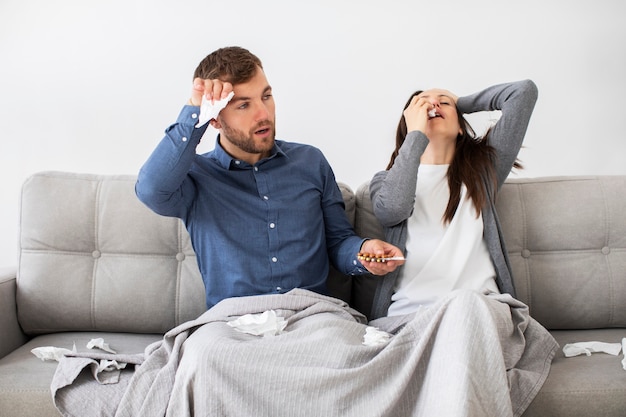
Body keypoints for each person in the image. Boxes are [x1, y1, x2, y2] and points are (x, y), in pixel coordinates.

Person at [135, 46, 404, 310]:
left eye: (266, 96)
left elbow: (338, 241)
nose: (263, 114)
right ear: (214, 119)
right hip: (232, 325)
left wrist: (364, 252)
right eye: (243, 105)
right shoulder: (196, 177)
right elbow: (150, 191)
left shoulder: (311, 162)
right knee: (203, 354)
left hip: (311, 317)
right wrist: (193, 114)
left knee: (353, 351)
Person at [367, 80, 559, 416]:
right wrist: (416, 136)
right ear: (408, 122)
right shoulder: (384, 182)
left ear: (460, 124)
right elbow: (393, 209)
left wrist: (460, 102)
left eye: (444, 103)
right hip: (411, 321)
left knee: (464, 305)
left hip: (481, 312)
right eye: (422, 103)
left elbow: (523, 92)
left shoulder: (484, 170)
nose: (434, 105)